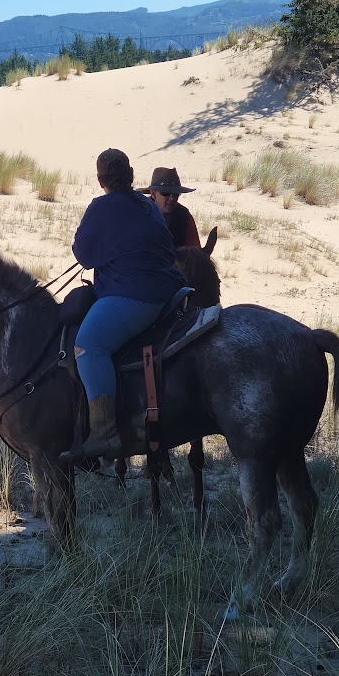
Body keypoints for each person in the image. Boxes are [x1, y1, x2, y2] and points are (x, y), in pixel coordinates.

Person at [63, 146, 184, 461]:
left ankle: (103, 434)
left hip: (133, 296)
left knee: (89, 346)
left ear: (101, 180)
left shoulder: (101, 207)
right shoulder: (148, 205)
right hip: (168, 291)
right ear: (131, 177)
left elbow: (84, 256)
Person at [143, 164, 200, 249]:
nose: (172, 198)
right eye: (166, 193)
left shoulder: (184, 216)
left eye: (176, 194)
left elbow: (195, 252)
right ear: (153, 194)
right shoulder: (140, 213)